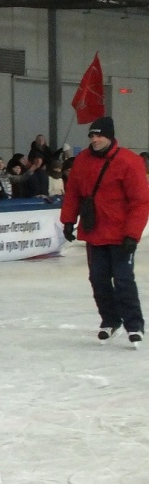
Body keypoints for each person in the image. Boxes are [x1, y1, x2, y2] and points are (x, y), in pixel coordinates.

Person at [61, 116, 149, 346]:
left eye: (99, 134)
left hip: (121, 234)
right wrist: (69, 220)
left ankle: (134, 325)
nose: (95, 139)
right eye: (91, 135)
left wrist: (132, 233)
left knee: (123, 280)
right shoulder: (82, 161)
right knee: (98, 279)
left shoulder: (130, 162)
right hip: (95, 231)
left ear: (109, 136)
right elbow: (73, 193)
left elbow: (140, 201)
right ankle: (110, 321)